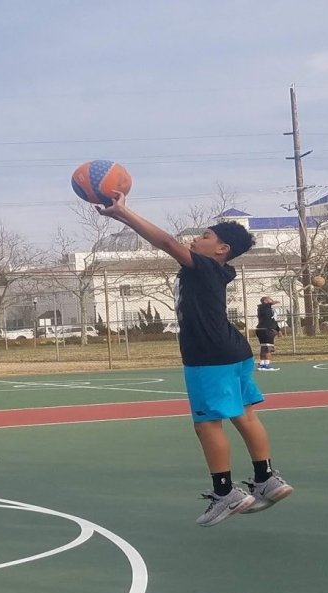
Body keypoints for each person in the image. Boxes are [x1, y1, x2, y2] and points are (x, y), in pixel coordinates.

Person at [97, 194, 292, 527]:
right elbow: (171, 244)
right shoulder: (217, 270)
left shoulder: (205, 267)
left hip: (209, 355)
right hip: (234, 351)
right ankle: (266, 478)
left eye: (205, 236)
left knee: (207, 424)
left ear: (221, 249)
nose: (195, 239)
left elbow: (166, 242)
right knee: (245, 415)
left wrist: (126, 212)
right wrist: (122, 217)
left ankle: (225, 493)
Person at [255, 296, 282, 371]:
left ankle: (262, 365)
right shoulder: (262, 307)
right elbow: (266, 305)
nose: (272, 300)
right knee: (268, 348)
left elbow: (273, 321)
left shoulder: (269, 310)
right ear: (265, 301)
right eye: (270, 299)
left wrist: (278, 330)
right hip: (265, 330)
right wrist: (272, 303)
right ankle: (267, 365)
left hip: (264, 330)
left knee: (264, 348)